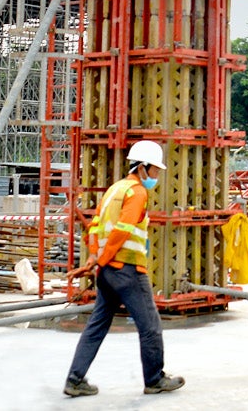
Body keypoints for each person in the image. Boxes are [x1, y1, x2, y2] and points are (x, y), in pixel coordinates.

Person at [63, 141, 185, 398]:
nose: (157, 176)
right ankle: (154, 379)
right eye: (155, 170)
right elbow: (123, 230)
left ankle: (75, 379)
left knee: (97, 325)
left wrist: (95, 258)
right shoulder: (137, 192)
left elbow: (94, 227)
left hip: (107, 273)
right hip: (127, 269)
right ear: (143, 168)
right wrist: (104, 258)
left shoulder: (113, 190)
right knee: (150, 325)